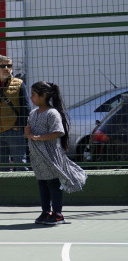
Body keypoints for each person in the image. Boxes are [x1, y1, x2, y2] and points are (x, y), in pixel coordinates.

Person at [25, 81, 87, 225]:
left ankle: (57, 214)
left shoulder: (52, 113)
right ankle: (46, 211)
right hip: (37, 157)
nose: (31, 97)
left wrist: (38, 137)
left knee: (53, 184)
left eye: (34, 95)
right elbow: (29, 132)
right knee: (42, 184)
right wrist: (27, 133)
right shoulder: (33, 113)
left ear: (43, 95)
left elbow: (58, 132)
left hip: (51, 156)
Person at [0, 55, 29, 171]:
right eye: (3, 66)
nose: (6, 68)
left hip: (14, 131)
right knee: (3, 166)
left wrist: (19, 125)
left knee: (20, 164)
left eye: (9, 65)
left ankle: (25, 188)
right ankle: (8, 188)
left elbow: (26, 107)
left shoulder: (19, 84)